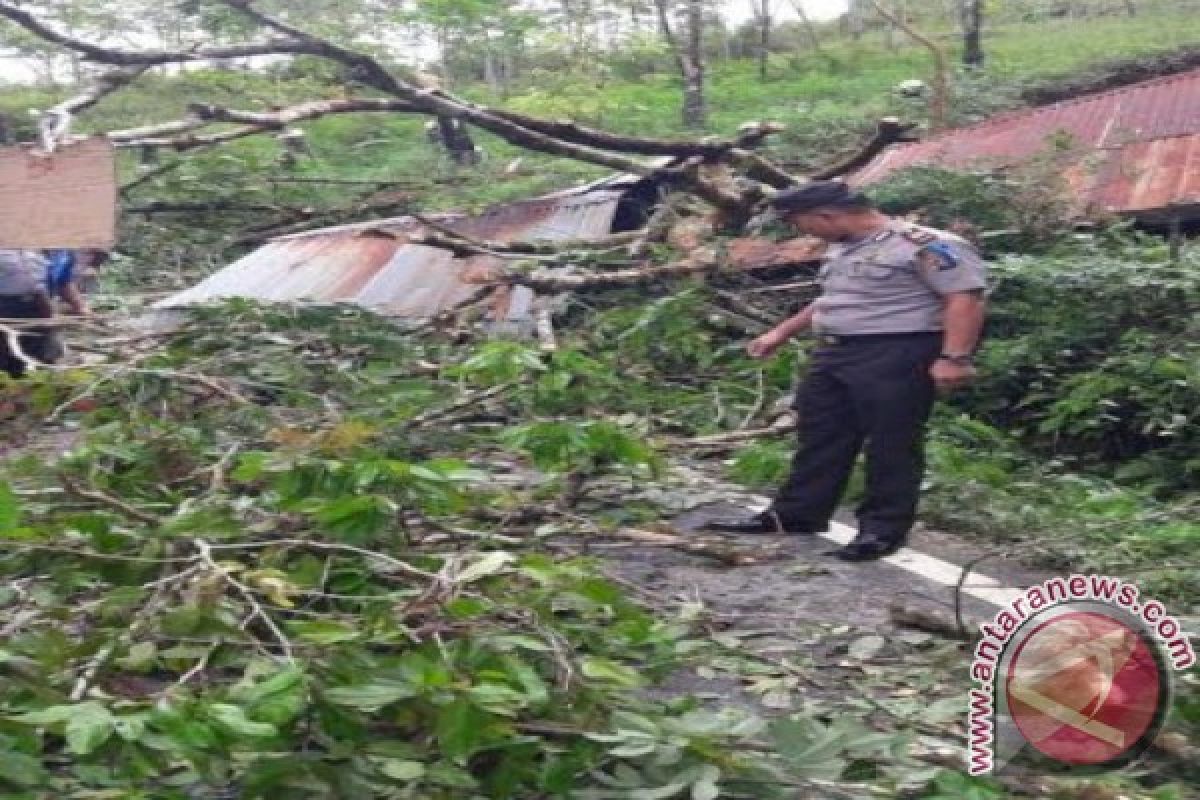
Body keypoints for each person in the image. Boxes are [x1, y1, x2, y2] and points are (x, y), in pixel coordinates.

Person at [703, 181, 988, 561]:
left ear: (827, 214)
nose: (802, 234)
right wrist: (782, 332)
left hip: (898, 351)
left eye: (802, 224)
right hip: (836, 351)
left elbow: (964, 297)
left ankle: (881, 531)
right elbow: (833, 298)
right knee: (819, 433)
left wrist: (955, 358)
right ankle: (796, 514)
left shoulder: (924, 244)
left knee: (891, 441)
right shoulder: (844, 246)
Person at [0, 248, 60, 378]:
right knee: (7, 355)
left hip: (35, 304)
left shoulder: (35, 253)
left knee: (43, 350)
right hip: (6, 305)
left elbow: (40, 285)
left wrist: (49, 313)